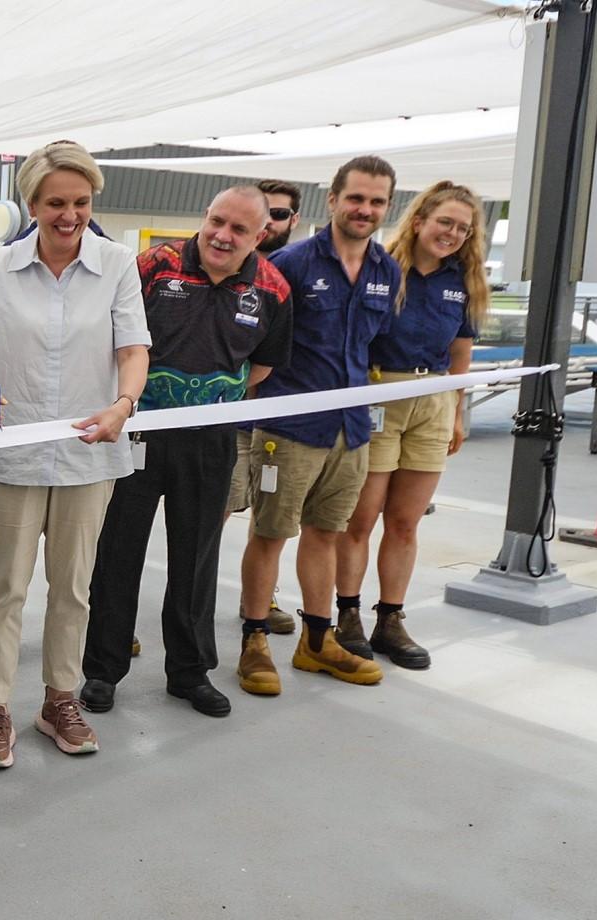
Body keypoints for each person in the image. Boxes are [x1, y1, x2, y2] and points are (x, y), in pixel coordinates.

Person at [0, 140, 150, 768]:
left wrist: (123, 404)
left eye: (81, 203)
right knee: (4, 588)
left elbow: (134, 348)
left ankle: (59, 699)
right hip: (16, 453)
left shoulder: (118, 263)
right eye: (55, 203)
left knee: (74, 587)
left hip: (90, 453)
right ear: (31, 203)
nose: (69, 215)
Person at [78, 186, 292, 719]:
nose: (223, 235)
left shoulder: (272, 288)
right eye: (217, 221)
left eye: (239, 230)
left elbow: (261, 367)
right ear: (204, 216)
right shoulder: (152, 266)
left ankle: (190, 672)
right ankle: (103, 670)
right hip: (140, 430)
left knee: (196, 557)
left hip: (212, 439)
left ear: (259, 236)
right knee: (118, 552)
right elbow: (115, 341)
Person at [235, 156, 400, 696]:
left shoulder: (385, 271)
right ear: (333, 200)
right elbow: (257, 347)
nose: (365, 209)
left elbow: (372, 345)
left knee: (327, 533)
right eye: (356, 198)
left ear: (387, 207)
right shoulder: (290, 263)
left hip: (350, 430)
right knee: (270, 533)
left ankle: (315, 641)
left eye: (376, 201)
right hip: (289, 425)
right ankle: (255, 640)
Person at [334, 181, 488, 670]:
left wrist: (458, 413)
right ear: (419, 219)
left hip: (434, 401)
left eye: (463, 228)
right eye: (446, 221)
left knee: (404, 522)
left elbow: (461, 354)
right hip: (380, 398)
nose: (453, 233)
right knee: (361, 518)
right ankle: (347, 615)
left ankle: (391, 618)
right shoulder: (379, 268)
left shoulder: (462, 282)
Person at [226, 176, 307, 634]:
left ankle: (261, 598)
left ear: (291, 220)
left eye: (279, 214)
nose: (271, 222)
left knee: (271, 515)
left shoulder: (290, 273)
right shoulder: (231, 267)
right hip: (239, 416)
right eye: (265, 212)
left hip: (282, 418)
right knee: (215, 508)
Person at [257, 178, 304, 255]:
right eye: (260, 212)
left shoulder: (305, 264)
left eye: (279, 213)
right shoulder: (231, 263)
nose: (267, 220)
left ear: (294, 220)